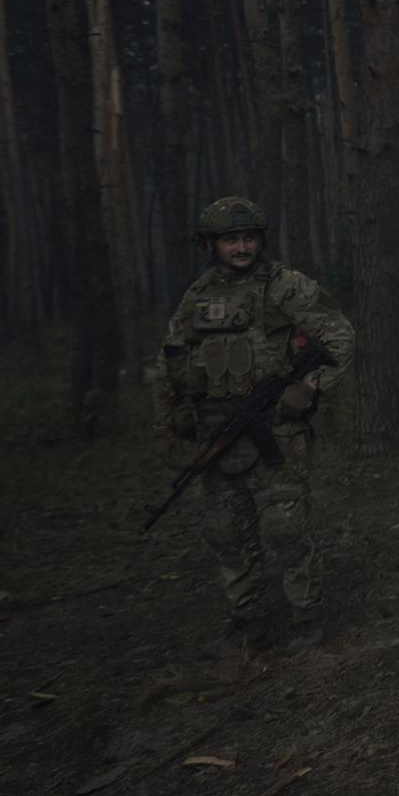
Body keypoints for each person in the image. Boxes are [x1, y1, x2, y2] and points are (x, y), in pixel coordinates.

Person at [154, 196, 355, 651]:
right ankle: (249, 619)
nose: (241, 247)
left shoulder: (285, 286)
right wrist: (168, 426)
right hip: (218, 433)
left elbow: (339, 335)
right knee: (225, 530)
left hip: (275, 433)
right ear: (212, 244)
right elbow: (170, 362)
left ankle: (306, 616)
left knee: (284, 526)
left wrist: (309, 388)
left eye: (248, 238)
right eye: (230, 240)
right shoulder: (197, 296)